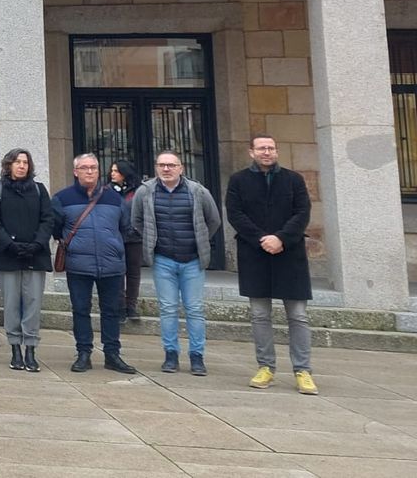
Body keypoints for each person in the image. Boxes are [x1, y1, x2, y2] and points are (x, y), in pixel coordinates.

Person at [226, 134, 316, 394]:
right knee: (259, 315)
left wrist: (280, 238)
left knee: (298, 315)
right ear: (251, 152)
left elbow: (302, 213)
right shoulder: (238, 180)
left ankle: (303, 370)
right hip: (255, 253)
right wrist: (261, 239)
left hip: (290, 253)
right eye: (261, 148)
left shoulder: (293, 180)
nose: (267, 152)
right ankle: (266, 367)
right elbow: (235, 213)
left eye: (271, 148)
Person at [132, 151, 223, 377]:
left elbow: (213, 220)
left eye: (171, 165)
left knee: (194, 309)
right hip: (163, 259)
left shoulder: (197, 191)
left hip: (192, 259)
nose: (166, 169)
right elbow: (136, 220)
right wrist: (152, 240)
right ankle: (170, 354)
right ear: (156, 168)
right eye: (162, 165)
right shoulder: (145, 191)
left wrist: (200, 240)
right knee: (168, 308)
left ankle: (197, 356)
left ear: (181, 168)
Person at [52, 153, 137, 374]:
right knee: (80, 309)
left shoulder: (114, 198)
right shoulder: (63, 198)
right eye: (85, 168)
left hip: (111, 265)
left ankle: (112, 354)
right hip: (79, 264)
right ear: (75, 171)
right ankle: (83, 353)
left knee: (111, 311)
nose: (90, 171)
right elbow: (55, 227)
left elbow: (125, 227)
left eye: (94, 167)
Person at [0, 148, 54, 372]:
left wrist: (37, 243)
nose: (22, 165)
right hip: (9, 254)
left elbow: (48, 219)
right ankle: (15, 348)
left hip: (36, 254)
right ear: (8, 165)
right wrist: (10, 244)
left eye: (25, 162)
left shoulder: (39, 189)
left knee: (33, 302)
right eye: (17, 162)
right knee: (12, 303)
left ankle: (31, 348)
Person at [110, 159, 146, 321]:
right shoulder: (107, 191)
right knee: (117, 272)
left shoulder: (139, 191)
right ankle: (120, 307)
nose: (112, 174)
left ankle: (131, 305)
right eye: (112, 171)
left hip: (133, 237)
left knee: (133, 272)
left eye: (116, 171)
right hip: (115, 237)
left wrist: (139, 230)